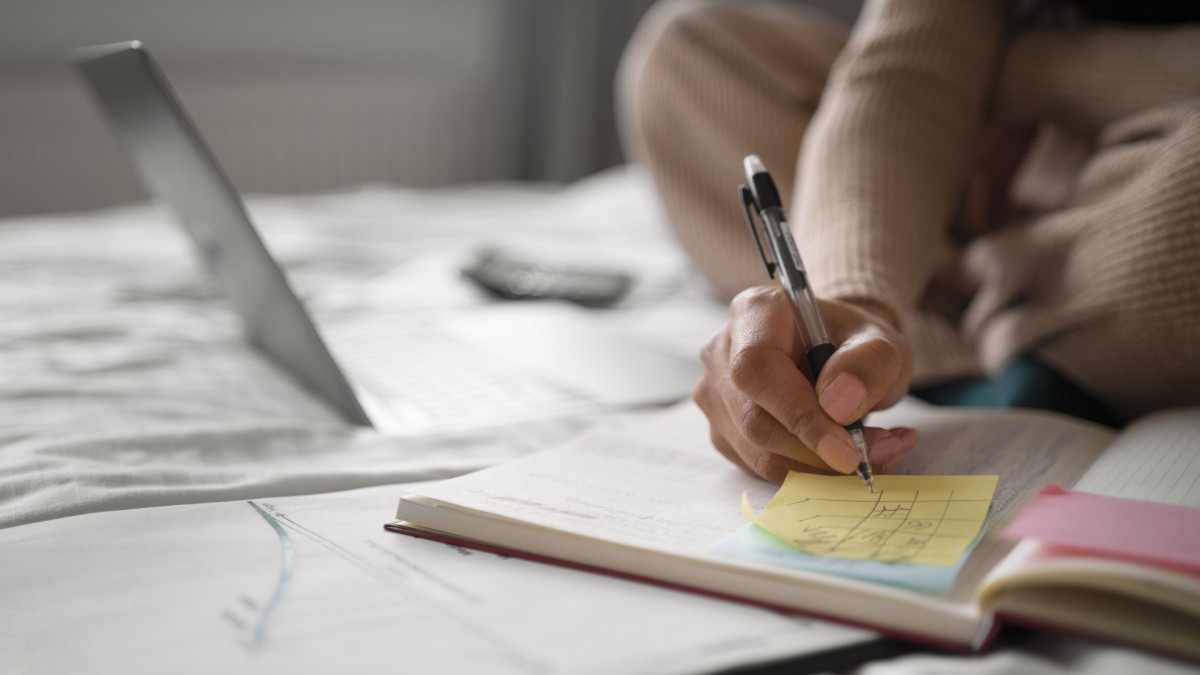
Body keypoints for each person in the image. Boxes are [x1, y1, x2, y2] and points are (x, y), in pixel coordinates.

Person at [617, 0, 1200, 482]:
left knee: (1183, 216)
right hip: (997, 156)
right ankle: (998, 295)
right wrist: (855, 298)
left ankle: (952, 284)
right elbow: (902, 73)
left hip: (1151, 142)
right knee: (690, 54)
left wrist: (1017, 75)